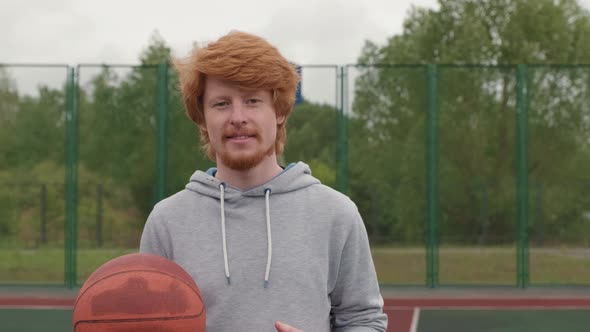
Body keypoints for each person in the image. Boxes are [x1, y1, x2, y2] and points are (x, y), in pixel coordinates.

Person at [139, 30, 388, 332]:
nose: (238, 117)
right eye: (221, 104)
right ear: (202, 118)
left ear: (280, 111)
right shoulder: (167, 222)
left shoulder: (336, 214)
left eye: (253, 100)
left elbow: (364, 320)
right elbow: (149, 322)